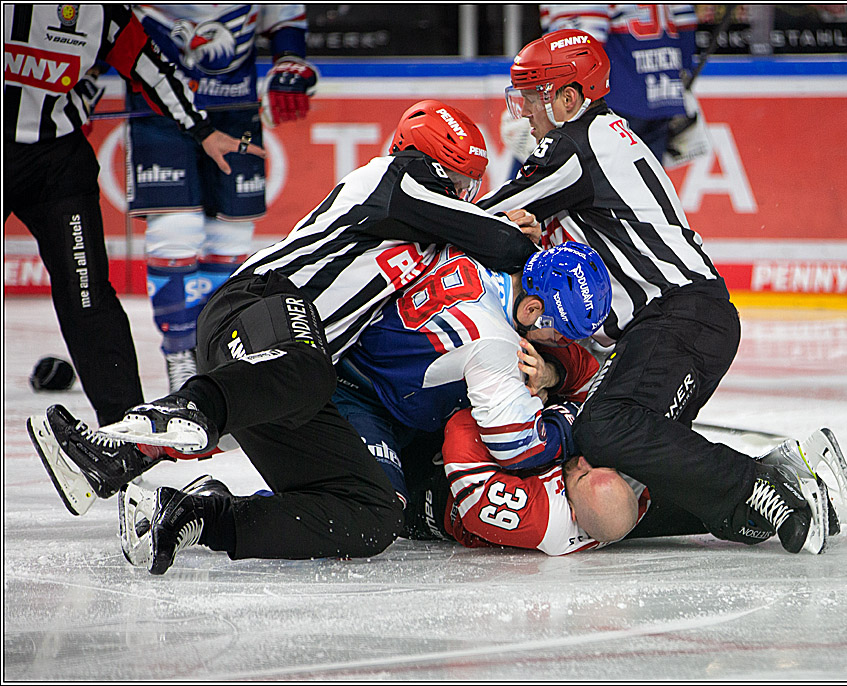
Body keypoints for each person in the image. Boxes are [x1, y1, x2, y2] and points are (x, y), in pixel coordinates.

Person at [26, 99, 541, 575]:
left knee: (373, 511)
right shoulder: (387, 178)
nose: (461, 194)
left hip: (284, 368)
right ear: (423, 163)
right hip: (256, 306)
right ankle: (123, 444)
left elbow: (472, 240)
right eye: (456, 181)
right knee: (310, 369)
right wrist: (518, 237)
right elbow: (492, 238)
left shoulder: (425, 228)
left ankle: (196, 515)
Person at [478, 29, 847, 555]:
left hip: (678, 318)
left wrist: (403, 216)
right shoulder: (603, 135)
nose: (525, 114)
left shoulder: (573, 145)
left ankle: (756, 489)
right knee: (619, 469)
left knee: (605, 428)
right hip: (687, 321)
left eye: (534, 97)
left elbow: (485, 219)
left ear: (568, 98)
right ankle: (769, 497)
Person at [4, 4, 264, 427]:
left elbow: (155, 73)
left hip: (56, 162)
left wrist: (203, 130)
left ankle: (128, 431)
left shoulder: (105, 14)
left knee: (86, 294)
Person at [126, 5, 317, 391]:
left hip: (235, 107)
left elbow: (286, 18)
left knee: (230, 237)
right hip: (160, 107)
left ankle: (217, 357)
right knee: (176, 228)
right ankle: (180, 354)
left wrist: (290, 62)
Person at [333, 241, 611, 505]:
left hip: (365, 364)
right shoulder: (498, 343)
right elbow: (517, 447)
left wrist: (551, 373)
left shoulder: (484, 246)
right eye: (561, 336)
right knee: (380, 509)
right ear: (532, 309)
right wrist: (575, 420)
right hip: (361, 401)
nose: (563, 344)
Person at [404, 408, 649, 555]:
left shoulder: (545, 519)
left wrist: (507, 400)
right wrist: (554, 373)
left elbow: (460, 429)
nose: (584, 461)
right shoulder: (627, 496)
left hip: (429, 494)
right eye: (601, 468)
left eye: (583, 475)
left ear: (573, 513)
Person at [539, 5, 706, 165]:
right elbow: (686, 23)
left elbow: (580, 45)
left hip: (617, 97)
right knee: (645, 183)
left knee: (598, 185)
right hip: (662, 93)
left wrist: (552, 99)